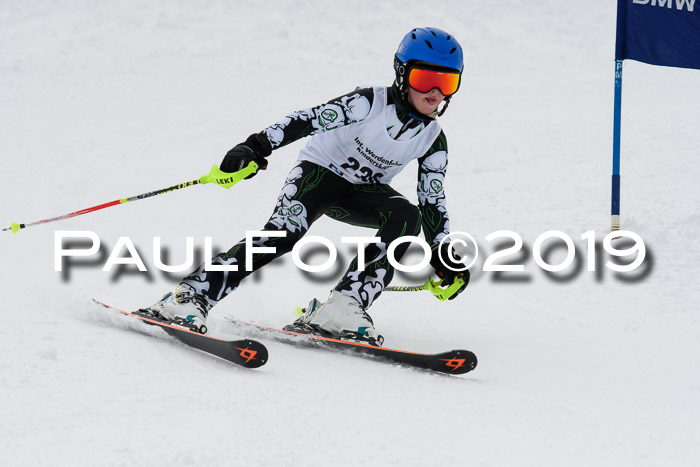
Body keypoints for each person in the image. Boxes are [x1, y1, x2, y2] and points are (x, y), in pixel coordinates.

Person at [143, 27, 470, 345]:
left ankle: (344, 306)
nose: (436, 92)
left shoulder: (432, 140)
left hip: (361, 194)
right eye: (425, 79)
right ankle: (191, 295)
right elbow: (309, 119)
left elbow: (432, 200)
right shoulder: (369, 103)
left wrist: (444, 254)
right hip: (320, 174)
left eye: (447, 82)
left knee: (408, 217)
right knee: (283, 233)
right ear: (401, 74)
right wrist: (255, 146)